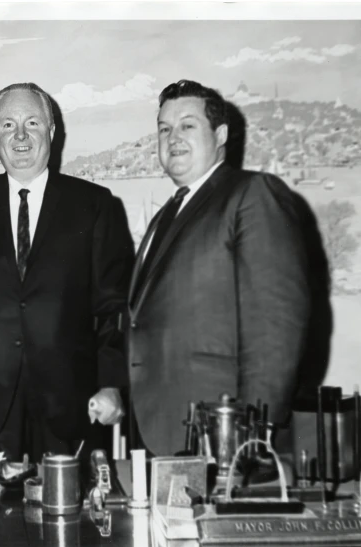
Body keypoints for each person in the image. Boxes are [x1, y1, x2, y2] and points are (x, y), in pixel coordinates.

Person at [0, 83, 134, 463]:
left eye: (32, 123)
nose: (20, 136)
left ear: (52, 133)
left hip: (74, 404)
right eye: (7, 125)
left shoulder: (93, 204)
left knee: (70, 517)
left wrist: (111, 384)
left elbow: (112, 305)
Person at [128, 80, 311, 456]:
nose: (173, 137)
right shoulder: (166, 214)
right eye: (164, 129)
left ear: (221, 134)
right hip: (161, 429)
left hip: (225, 436)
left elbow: (277, 323)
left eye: (187, 125)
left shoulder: (253, 194)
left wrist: (254, 434)